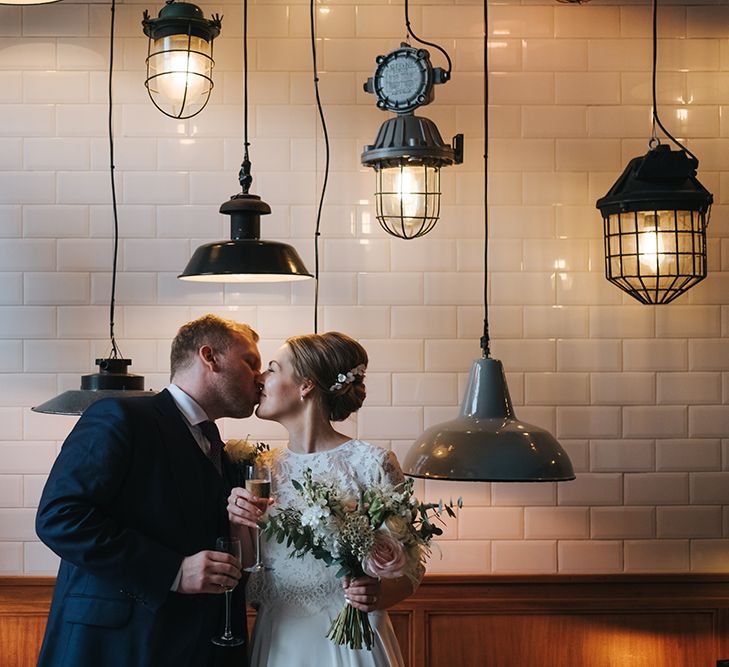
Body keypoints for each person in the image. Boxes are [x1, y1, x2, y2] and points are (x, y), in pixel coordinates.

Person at [35, 314, 262, 667]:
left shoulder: (215, 442)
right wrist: (173, 571)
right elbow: (60, 517)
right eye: (250, 362)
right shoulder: (119, 416)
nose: (259, 377)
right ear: (210, 357)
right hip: (111, 647)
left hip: (193, 646)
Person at [227, 331, 418, 667]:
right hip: (279, 638)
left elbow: (412, 569)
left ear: (305, 386)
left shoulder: (372, 463)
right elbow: (248, 562)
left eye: (272, 369)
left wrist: (376, 594)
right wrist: (237, 521)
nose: (260, 379)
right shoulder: (261, 469)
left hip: (352, 641)